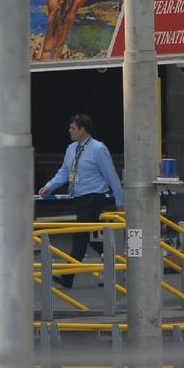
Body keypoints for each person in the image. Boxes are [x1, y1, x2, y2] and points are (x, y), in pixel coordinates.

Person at [38, 114, 124, 288]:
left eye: (73, 128)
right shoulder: (71, 149)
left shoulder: (98, 149)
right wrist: (49, 186)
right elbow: (64, 172)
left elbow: (111, 175)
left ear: (83, 129)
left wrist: (120, 201)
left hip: (94, 196)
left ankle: (68, 276)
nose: (70, 131)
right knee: (91, 237)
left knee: (80, 236)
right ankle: (114, 263)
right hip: (79, 197)